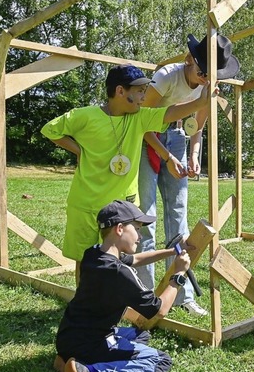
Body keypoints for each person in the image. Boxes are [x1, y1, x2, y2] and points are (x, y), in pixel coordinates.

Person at [41, 64, 208, 282]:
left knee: (121, 259)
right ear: (120, 91)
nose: (143, 97)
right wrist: (78, 150)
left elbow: (170, 113)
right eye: (139, 91)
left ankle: (112, 304)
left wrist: (201, 102)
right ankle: (84, 305)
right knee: (85, 260)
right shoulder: (84, 116)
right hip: (85, 206)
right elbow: (50, 130)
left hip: (123, 209)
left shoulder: (140, 118)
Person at [136, 33, 240, 317]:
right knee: (146, 217)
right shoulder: (166, 78)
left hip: (178, 139)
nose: (207, 79)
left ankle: (182, 293)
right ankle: (143, 296)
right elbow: (141, 123)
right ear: (189, 60)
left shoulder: (209, 88)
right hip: (147, 139)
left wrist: (193, 155)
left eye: (213, 75)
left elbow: (197, 129)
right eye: (203, 72)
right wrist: (167, 157)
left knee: (178, 218)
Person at [54, 200, 191, 372]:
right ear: (119, 229)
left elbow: (136, 259)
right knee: (160, 360)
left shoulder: (93, 254)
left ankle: (65, 359)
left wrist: (174, 251)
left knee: (141, 335)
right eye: (136, 229)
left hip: (68, 336)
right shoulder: (120, 273)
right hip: (92, 343)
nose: (140, 235)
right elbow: (158, 310)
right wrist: (178, 275)